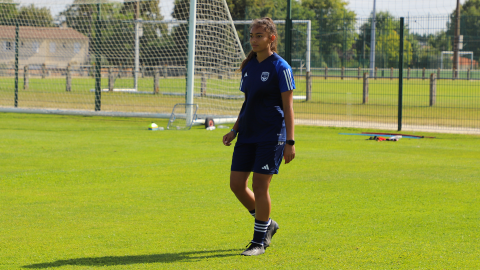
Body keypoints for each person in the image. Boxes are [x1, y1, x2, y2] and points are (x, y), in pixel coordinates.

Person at [222, 17, 296, 256]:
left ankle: (258, 242)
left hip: (271, 135)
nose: (253, 40)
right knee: (236, 185)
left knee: (259, 185)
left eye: (259, 36)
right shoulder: (249, 66)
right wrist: (234, 130)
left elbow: (289, 108)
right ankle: (267, 224)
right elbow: (247, 104)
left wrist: (290, 142)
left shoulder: (281, 67)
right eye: (252, 36)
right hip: (247, 134)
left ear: (271, 39)